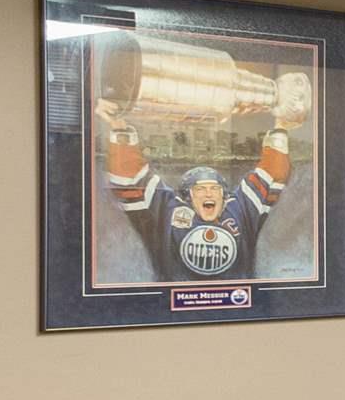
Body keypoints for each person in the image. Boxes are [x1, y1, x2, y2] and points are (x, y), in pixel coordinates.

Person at [99, 77, 307, 282]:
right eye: (199, 189)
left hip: (237, 300)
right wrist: (119, 126)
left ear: (224, 196)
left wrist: (281, 126)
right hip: (175, 301)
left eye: (215, 189)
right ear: (187, 198)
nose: (209, 193)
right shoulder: (167, 210)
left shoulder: (240, 209)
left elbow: (272, 173)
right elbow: (130, 179)